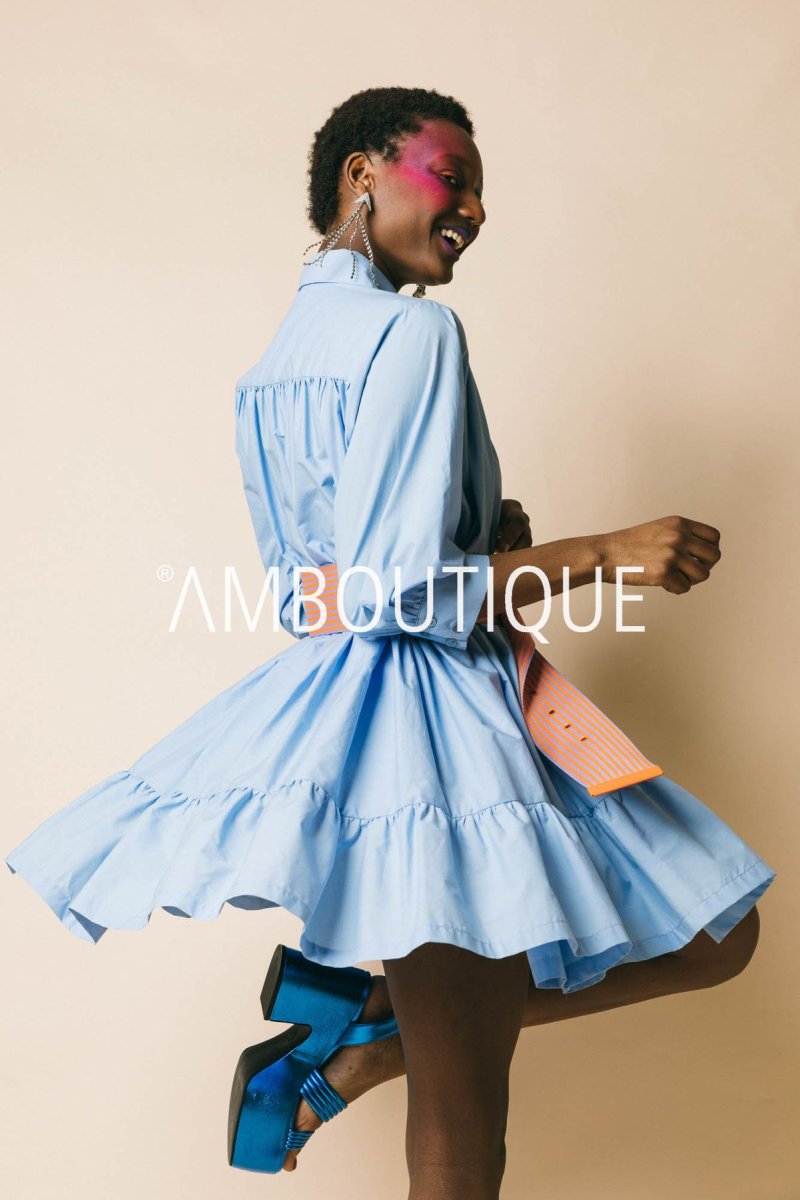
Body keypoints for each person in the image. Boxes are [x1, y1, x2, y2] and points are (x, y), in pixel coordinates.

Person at [6, 87, 776, 1199]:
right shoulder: (414, 330)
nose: (472, 208)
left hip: (378, 706)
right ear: (361, 174)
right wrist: (606, 552)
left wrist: (481, 540)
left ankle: (370, 1029)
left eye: (477, 191)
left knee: (711, 935)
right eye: (448, 177)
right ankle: (368, 1038)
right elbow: (395, 589)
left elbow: (314, 591)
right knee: (463, 1135)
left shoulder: (272, 366)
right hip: (435, 731)